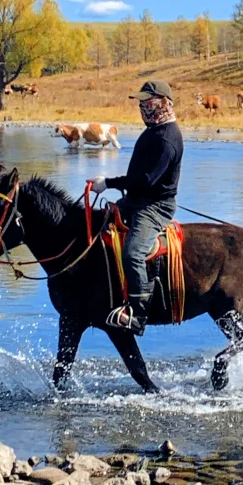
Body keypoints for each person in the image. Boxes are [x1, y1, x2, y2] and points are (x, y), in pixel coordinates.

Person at [91, 78, 183, 333]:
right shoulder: (154, 130)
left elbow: (144, 182)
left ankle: (138, 314)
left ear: (162, 103)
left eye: (146, 101)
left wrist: (107, 182)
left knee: (132, 252)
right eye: (140, 102)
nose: (141, 106)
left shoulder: (166, 138)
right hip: (137, 200)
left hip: (154, 207)